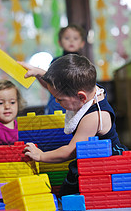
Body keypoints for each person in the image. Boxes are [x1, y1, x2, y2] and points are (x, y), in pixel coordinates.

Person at [20, 54, 128, 196]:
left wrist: (41, 156)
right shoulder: (89, 87)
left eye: (60, 99)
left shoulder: (93, 117)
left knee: (68, 192)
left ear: (81, 97)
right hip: (90, 157)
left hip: (105, 163)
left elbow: (71, 151)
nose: (57, 102)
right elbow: (65, 81)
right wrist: (39, 72)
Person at [45, 24, 86, 114]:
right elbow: (49, 84)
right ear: (60, 42)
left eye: (75, 39)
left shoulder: (84, 63)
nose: (71, 41)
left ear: (82, 43)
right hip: (57, 104)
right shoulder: (55, 62)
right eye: (67, 38)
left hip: (78, 103)